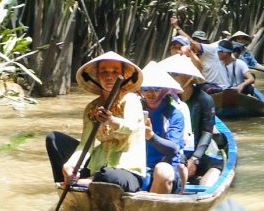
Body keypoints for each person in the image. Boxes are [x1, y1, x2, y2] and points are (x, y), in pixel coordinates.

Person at [45, 51, 146, 192]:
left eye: (115, 72)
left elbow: (132, 127)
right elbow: (86, 145)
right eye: (104, 72)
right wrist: (70, 165)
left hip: (125, 172)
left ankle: (86, 182)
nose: (109, 77)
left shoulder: (131, 100)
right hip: (97, 168)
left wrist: (111, 120)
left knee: (110, 176)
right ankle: (67, 181)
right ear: (97, 76)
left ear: (124, 75)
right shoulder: (92, 108)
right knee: (54, 139)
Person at [159, 54, 223, 186]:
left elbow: (207, 132)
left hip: (197, 151)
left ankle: (204, 196)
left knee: (215, 166)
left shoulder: (204, 99)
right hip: (172, 150)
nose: (172, 77)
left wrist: (195, 159)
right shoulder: (164, 99)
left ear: (188, 77)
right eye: (170, 74)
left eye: (175, 74)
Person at [140, 61, 186, 194]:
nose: (150, 94)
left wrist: (151, 136)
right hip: (138, 167)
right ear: (140, 90)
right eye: (146, 89)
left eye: (156, 89)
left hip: (166, 169)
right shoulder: (134, 108)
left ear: (166, 90)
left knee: (162, 171)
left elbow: (173, 148)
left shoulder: (174, 115)